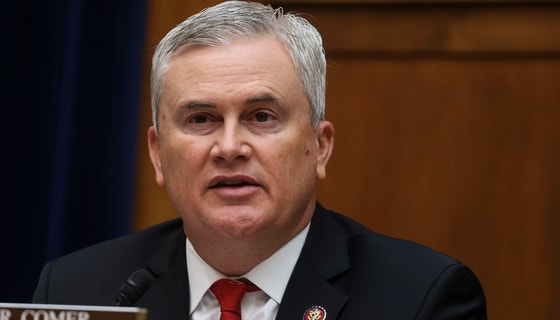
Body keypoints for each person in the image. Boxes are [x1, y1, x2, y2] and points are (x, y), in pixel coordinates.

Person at [32, 1, 487, 319]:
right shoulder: (78, 292)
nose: (229, 147)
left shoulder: (420, 298)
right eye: (201, 119)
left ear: (320, 145)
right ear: (157, 154)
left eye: (261, 117)